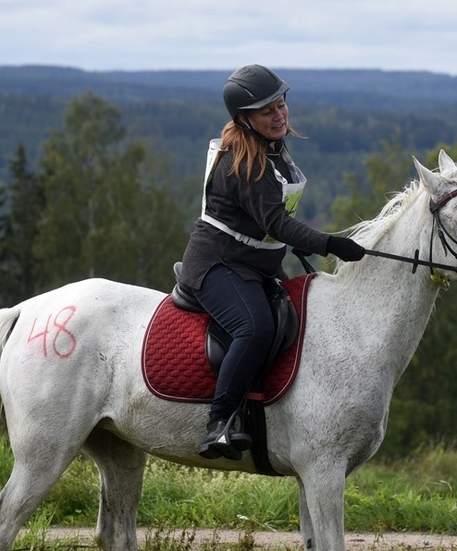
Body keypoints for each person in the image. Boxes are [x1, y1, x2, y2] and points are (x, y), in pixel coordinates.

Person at [178, 64, 366, 460]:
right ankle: (219, 422)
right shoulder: (248, 163)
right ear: (245, 119)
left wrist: (294, 251)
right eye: (268, 112)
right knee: (255, 328)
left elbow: (269, 221)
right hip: (219, 264)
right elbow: (277, 222)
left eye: (282, 105)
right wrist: (330, 243)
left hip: (256, 262)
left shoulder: (273, 148)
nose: (280, 116)